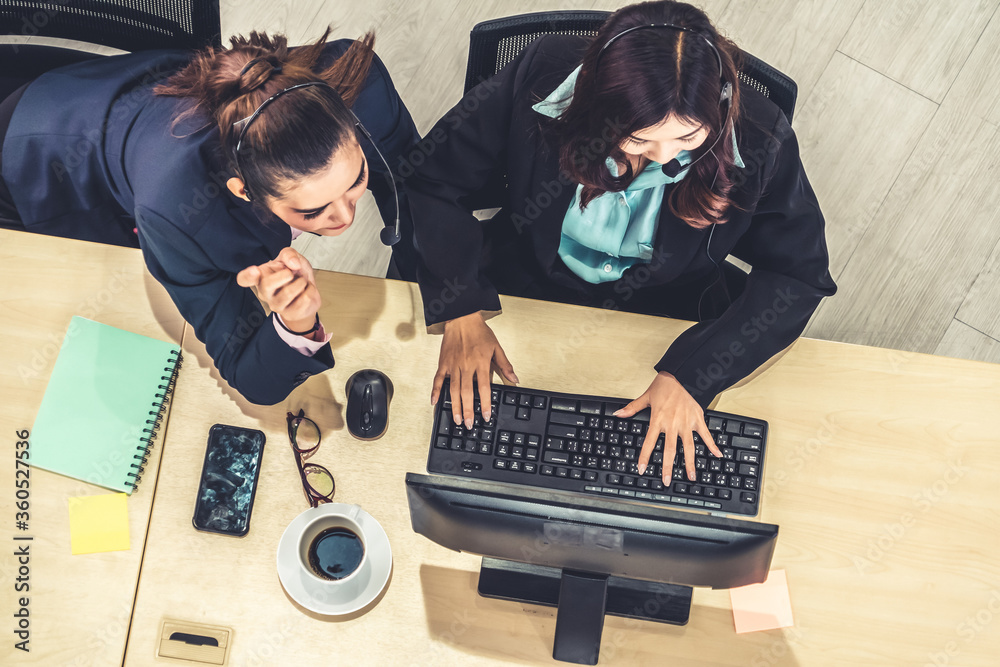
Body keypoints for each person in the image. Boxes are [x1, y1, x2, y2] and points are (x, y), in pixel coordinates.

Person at [406, 0, 836, 483]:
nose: (667, 160)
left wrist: (693, 375)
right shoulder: (541, 71)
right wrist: (460, 308)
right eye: (639, 140)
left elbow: (799, 275)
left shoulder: (760, 136)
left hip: (667, 312)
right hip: (523, 283)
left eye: (688, 137)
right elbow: (432, 179)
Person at [0, 29, 419, 405]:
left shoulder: (363, 88)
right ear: (243, 191)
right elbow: (247, 373)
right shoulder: (178, 217)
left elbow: (419, 185)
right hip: (45, 159)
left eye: (356, 178)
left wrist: (454, 304)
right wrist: (296, 324)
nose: (345, 217)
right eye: (312, 211)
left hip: (141, 92)